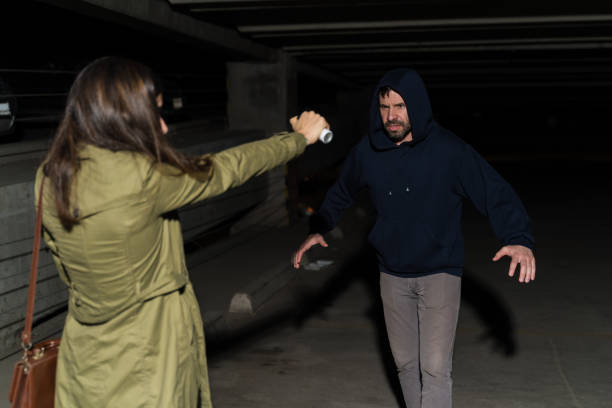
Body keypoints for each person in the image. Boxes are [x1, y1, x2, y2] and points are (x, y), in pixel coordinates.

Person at [35, 56, 329, 408]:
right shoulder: (144, 177)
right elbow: (228, 167)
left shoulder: (50, 177)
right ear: (122, 118)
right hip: (147, 362)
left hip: (84, 358)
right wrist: (296, 140)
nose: (162, 128)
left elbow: (65, 268)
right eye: (152, 115)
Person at [292, 68, 535, 408]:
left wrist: (518, 237)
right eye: (384, 107)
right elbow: (341, 191)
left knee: (434, 368)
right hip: (391, 273)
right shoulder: (368, 151)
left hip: (439, 271)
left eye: (400, 106)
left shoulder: (449, 151)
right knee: (406, 365)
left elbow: (494, 191)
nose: (391, 116)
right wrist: (318, 227)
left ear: (417, 106)